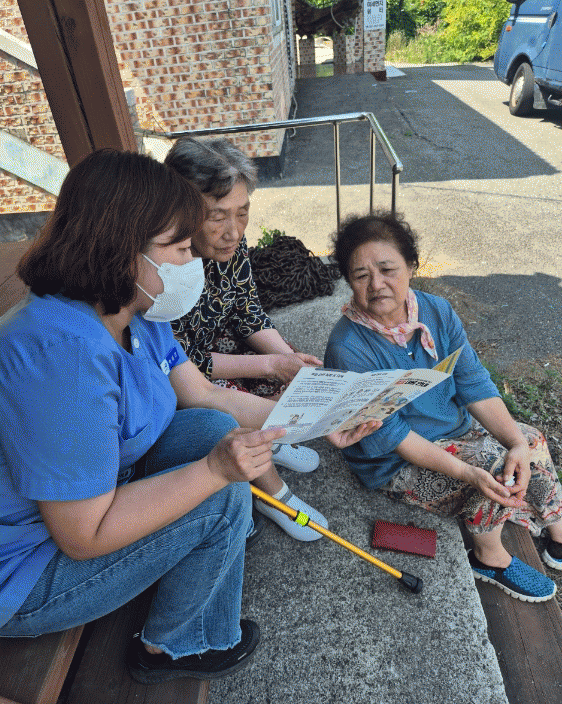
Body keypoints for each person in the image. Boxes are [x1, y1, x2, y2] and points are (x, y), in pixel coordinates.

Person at [0, 150, 379, 684]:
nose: (190, 261)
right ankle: (174, 647)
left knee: (211, 430)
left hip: (99, 493)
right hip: (27, 568)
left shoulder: (133, 309)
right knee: (221, 496)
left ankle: (201, 571)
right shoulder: (59, 356)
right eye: (179, 248)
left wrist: (320, 420)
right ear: (122, 248)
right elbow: (82, 536)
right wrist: (213, 472)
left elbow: (203, 395)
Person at [325, 211, 562, 602]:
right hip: (395, 460)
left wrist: (517, 442)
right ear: (349, 282)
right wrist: (467, 471)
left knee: (531, 440)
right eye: (361, 275)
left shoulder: (436, 311)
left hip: (454, 428)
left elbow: (472, 382)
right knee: (492, 472)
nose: (376, 284)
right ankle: (489, 557)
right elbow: (393, 435)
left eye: (387, 269)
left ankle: (555, 526)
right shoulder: (348, 348)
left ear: (411, 266)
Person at [164, 137, 327, 541]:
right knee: (232, 406)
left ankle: (274, 441)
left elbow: (247, 311)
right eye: (217, 216)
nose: (234, 231)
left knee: (289, 364)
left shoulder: (231, 247)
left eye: (243, 212)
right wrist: (271, 364)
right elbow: (187, 361)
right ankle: (274, 495)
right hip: (182, 374)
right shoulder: (163, 267)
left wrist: (290, 361)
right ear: (179, 212)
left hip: (210, 352)